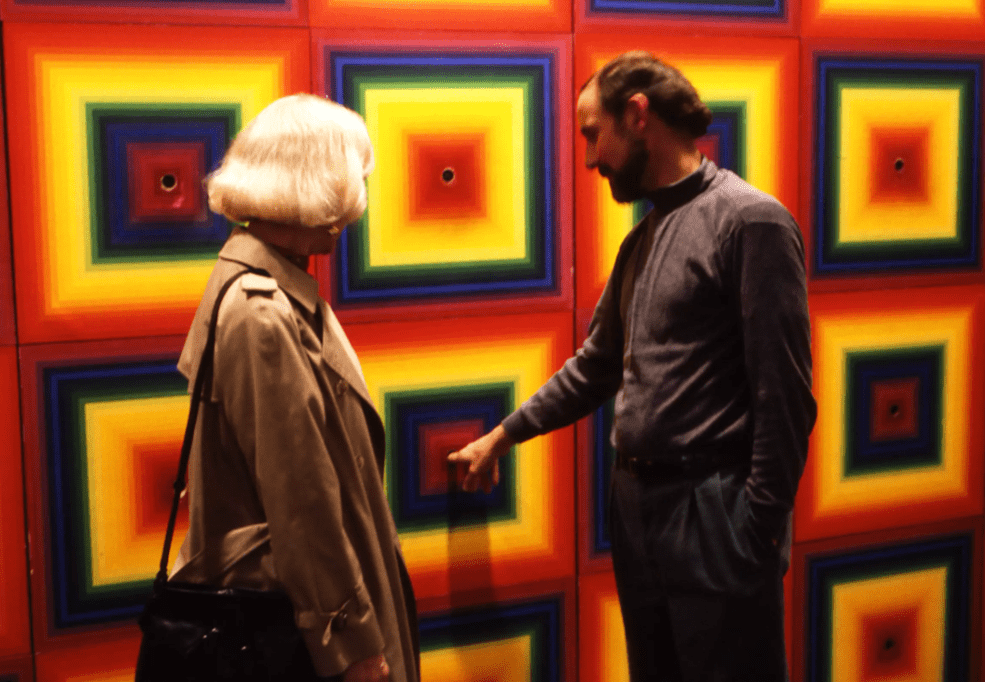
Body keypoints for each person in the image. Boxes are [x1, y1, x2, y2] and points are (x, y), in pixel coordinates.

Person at [448, 52, 816, 681]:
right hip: (640, 511)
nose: (590, 158)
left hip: (715, 515)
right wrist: (502, 437)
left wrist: (755, 530)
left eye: (594, 133)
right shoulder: (641, 240)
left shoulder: (751, 220)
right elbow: (596, 366)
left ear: (638, 113)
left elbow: (785, 398)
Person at [171, 93, 420, 682]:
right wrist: (353, 645)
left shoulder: (270, 289)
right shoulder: (263, 312)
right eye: (353, 178)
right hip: (295, 628)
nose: (357, 202)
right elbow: (302, 503)